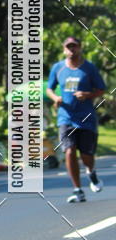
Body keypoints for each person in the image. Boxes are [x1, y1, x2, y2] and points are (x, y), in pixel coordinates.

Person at [46, 36, 106, 203]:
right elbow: (49, 88)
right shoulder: (58, 68)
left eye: (75, 46)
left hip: (86, 118)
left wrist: (87, 94)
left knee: (87, 155)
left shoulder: (89, 68)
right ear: (64, 49)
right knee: (69, 150)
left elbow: (101, 89)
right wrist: (55, 98)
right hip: (66, 117)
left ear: (80, 48)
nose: (72, 49)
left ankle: (91, 171)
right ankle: (77, 189)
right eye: (68, 47)